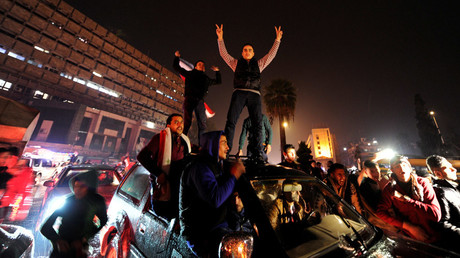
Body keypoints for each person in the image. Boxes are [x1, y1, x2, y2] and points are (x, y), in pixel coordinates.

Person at [216, 24, 283, 161]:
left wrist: (277, 40)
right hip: (239, 93)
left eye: (250, 50)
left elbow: (271, 55)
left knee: (258, 123)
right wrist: (220, 38)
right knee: (231, 121)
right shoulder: (235, 63)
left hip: (254, 95)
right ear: (242, 53)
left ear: (253, 53)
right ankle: (226, 151)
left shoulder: (259, 64)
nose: (247, 52)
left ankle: (258, 153)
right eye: (245, 50)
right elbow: (224, 55)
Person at [179, 131, 245, 257]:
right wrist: (234, 175)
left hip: (218, 228)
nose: (228, 147)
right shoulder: (199, 168)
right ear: (212, 145)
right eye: (224, 143)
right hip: (202, 235)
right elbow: (215, 198)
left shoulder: (217, 167)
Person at [41, 169, 107, 257]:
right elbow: (45, 227)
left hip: (80, 250)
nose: (78, 190)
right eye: (76, 186)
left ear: (89, 188)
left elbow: (103, 221)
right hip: (63, 249)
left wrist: (84, 238)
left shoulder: (97, 201)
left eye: (82, 186)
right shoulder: (69, 202)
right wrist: (58, 241)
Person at [137, 113, 191, 220]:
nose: (180, 125)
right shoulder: (159, 138)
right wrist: (158, 173)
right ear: (168, 125)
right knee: (163, 213)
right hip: (163, 184)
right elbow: (142, 157)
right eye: (176, 122)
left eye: (181, 122)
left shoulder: (185, 141)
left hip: (178, 187)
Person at [376, 155, 441, 243]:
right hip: (410, 236)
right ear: (392, 170)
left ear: (410, 167)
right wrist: (407, 226)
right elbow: (380, 212)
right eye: (397, 167)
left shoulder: (422, 183)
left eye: (404, 165)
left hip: (433, 233)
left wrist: (407, 200)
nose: (401, 169)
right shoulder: (390, 189)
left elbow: (435, 215)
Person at [173, 51, 222, 144]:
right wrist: (176, 58)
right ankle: (181, 142)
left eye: (203, 65)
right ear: (195, 67)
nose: (202, 66)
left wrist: (217, 71)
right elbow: (176, 67)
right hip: (189, 99)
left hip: (200, 101)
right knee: (187, 122)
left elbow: (218, 81)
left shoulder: (206, 79)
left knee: (202, 124)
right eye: (200, 64)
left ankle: (201, 146)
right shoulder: (190, 74)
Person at [426, 155, 460, 252]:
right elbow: (442, 224)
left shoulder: (454, 187)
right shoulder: (440, 192)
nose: (454, 169)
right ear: (438, 173)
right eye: (449, 168)